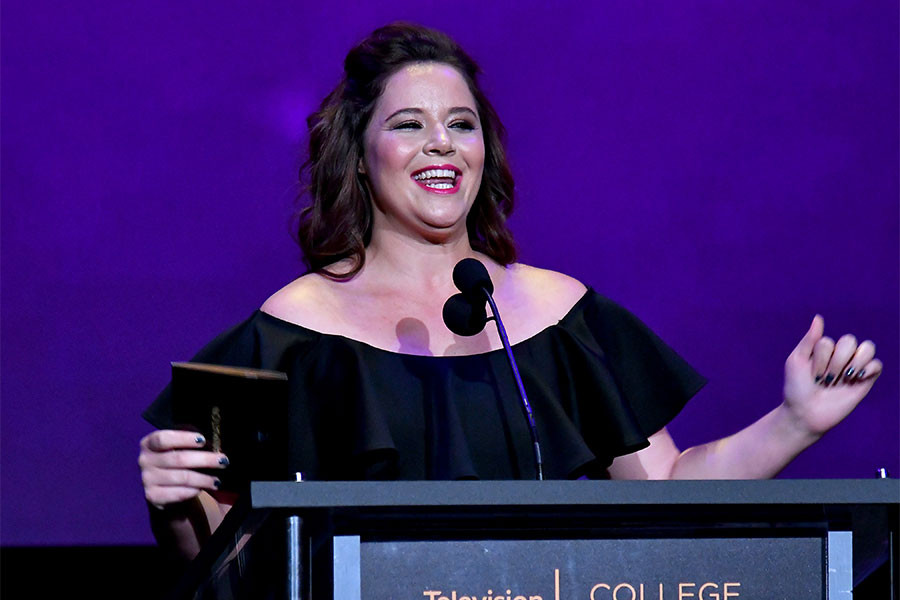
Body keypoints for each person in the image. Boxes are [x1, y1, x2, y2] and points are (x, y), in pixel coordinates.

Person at [138, 23, 882, 561]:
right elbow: (219, 554)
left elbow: (667, 488)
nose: (441, 143)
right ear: (361, 158)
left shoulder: (559, 313)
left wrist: (795, 422)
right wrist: (171, 502)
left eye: (461, 125)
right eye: (409, 124)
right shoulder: (289, 330)